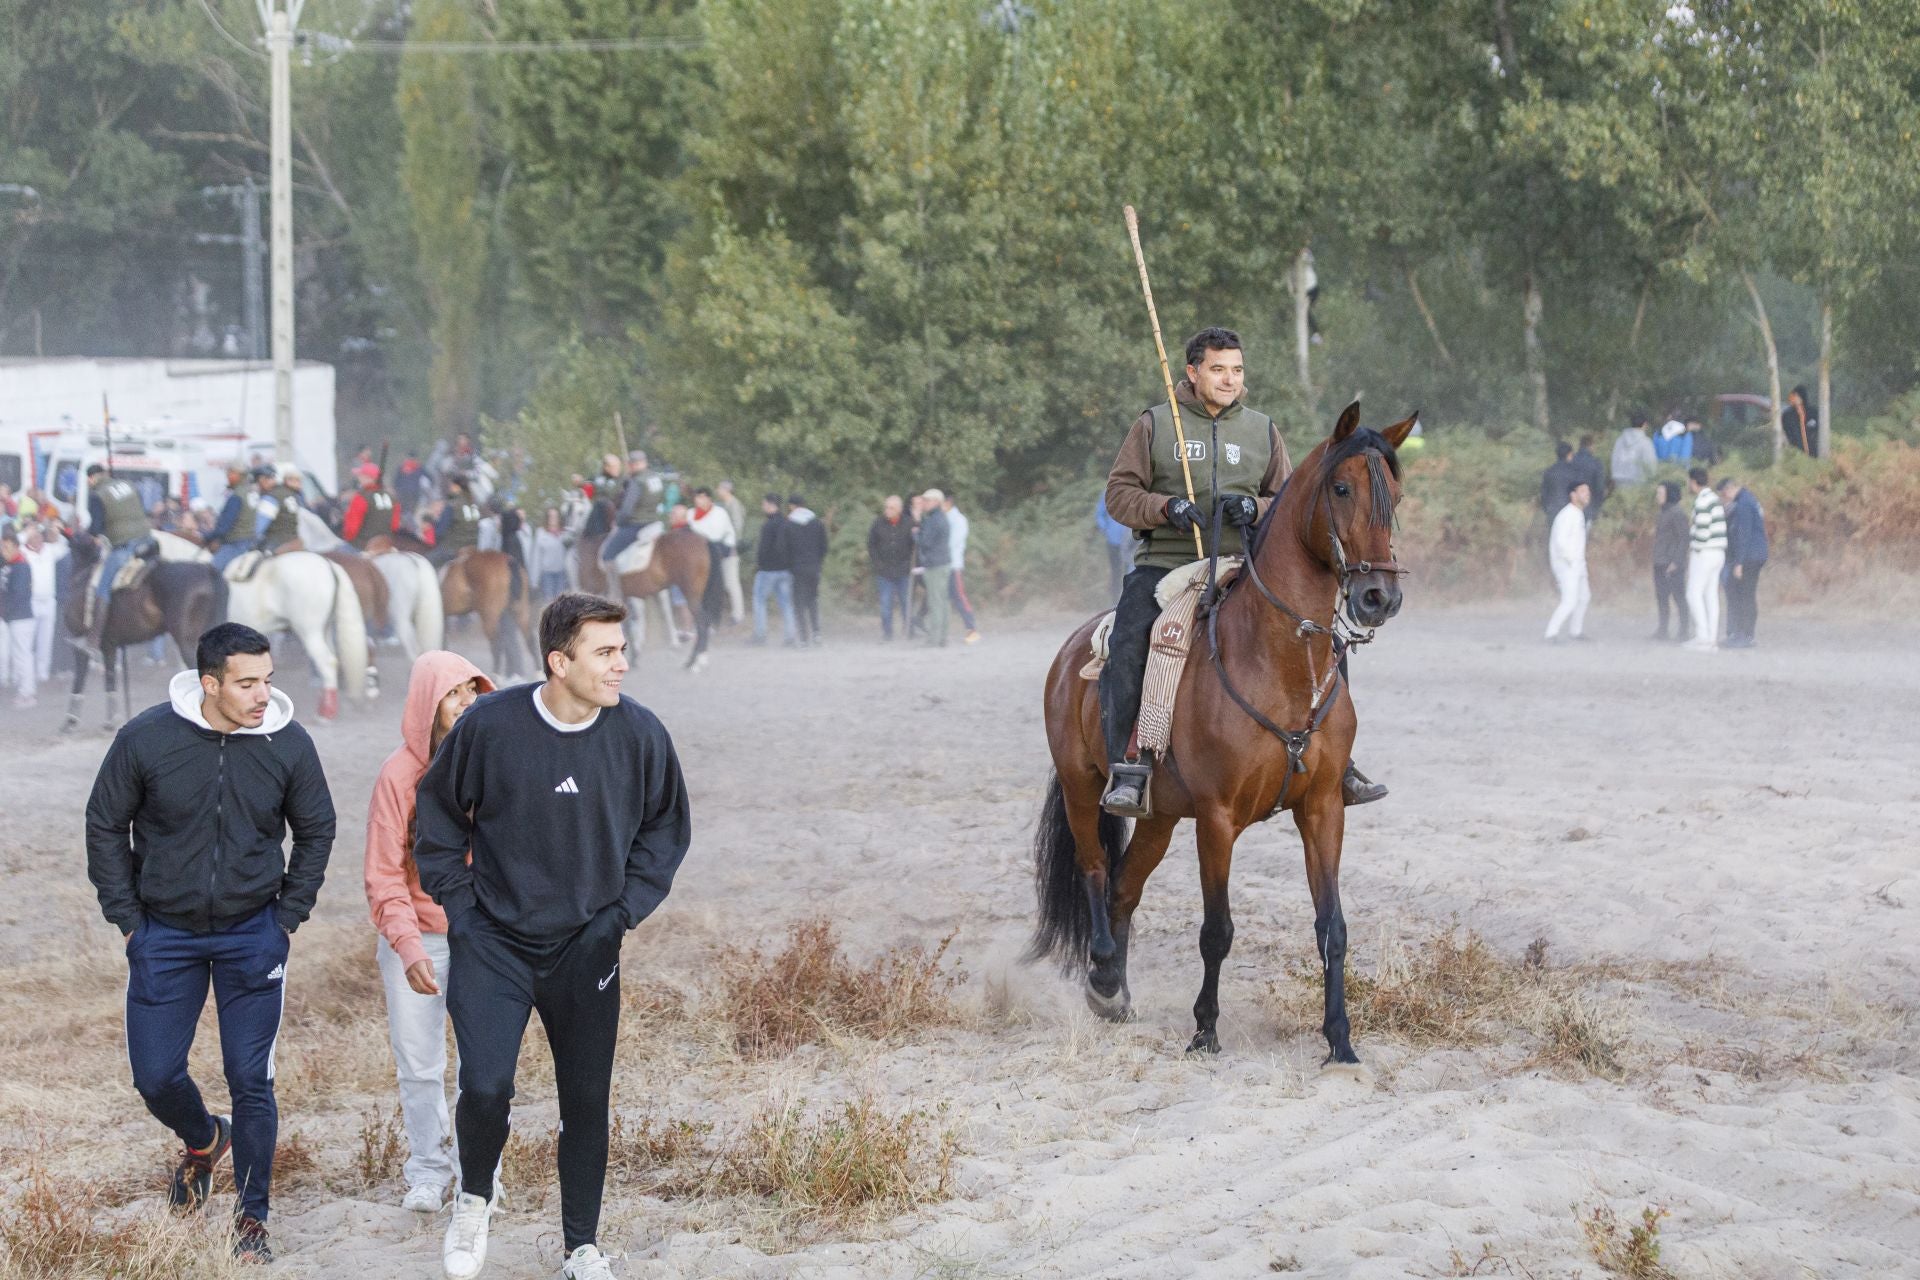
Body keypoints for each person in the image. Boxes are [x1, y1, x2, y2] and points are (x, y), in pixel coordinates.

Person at [414, 593, 692, 1280]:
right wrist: (464, 911)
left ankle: (580, 1249)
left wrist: (619, 915)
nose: (621, 665)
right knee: (485, 1087)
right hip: (495, 945)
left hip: (586, 947)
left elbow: (666, 828)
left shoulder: (641, 734)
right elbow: (439, 817)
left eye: (622, 650)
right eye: (605, 652)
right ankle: (474, 1202)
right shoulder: (490, 726)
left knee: (586, 1100)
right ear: (558, 661)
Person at [84, 623, 335, 1263]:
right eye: (246, 683)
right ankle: (203, 1140)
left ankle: (251, 1224)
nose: (261, 695)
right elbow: (105, 824)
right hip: (164, 934)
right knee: (156, 1076)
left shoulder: (288, 743)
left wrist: (287, 918)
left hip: (254, 933)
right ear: (209, 683)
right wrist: (129, 921)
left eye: (267, 680)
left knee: (251, 1078)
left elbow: (317, 829)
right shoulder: (146, 738)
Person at [1101, 326, 1383, 816]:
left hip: (1245, 562)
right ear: (1192, 372)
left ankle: (1340, 764)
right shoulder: (1154, 425)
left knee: (1325, 633)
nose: (1229, 380)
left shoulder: (1262, 429)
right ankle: (1129, 768)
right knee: (1129, 640)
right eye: (1217, 370)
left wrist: (1254, 508)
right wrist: (1166, 507)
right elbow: (1118, 494)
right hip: (1168, 561)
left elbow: (1290, 500)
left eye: (1236, 370)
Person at [365, 652, 496, 1213]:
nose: (467, 702)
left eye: (474, 690)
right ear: (427, 704)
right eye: (454, 693)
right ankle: (427, 1170)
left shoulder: (497, 762)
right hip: (415, 936)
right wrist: (407, 943)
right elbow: (383, 872)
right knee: (420, 1063)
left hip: (483, 938)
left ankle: (479, 1175)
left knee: (483, 1066)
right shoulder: (399, 775)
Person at [76, 463, 153, 664]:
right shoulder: (128, 484)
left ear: (91, 478)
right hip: (148, 539)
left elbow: (96, 528)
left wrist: (88, 535)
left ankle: (93, 641)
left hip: (125, 546)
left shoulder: (97, 495)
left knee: (102, 588)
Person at [1717, 477, 1769, 648]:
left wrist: (1739, 562)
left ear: (1729, 489)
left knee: (1745, 595)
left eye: (1724, 493)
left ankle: (1745, 635)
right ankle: (1742, 633)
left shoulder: (1743, 505)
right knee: (1746, 594)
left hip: (1749, 556)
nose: (1724, 497)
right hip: (1755, 554)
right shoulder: (1749, 499)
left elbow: (1743, 534)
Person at [1684, 467, 1727, 652]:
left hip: (1704, 552)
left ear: (1693, 482)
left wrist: (1694, 543)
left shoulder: (1702, 502)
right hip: (1718, 551)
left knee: (1693, 593)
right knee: (1710, 595)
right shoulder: (1715, 500)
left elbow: (1702, 531)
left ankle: (1702, 636)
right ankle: (1711, 637)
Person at [1544, 480, 1592, 642]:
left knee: (1584, 597)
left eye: (1587, 491)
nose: (1587, 495)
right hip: (1567, 564)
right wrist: (1570, 561)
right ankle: (1551, 633)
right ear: (1573, 495)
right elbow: (1560, 542)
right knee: (1569, 601)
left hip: (1578, 564)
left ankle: (1575, 631)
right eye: (1583, 491)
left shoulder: (1578, 514)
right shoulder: (1567, 515)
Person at [598, 451, 664, 567]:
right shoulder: (655, 477)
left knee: (607, 555)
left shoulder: (637, 481)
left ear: (633, 465)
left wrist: (618, 522)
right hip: (655, 522)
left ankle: (613, 585)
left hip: (637, 524)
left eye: (629, 465)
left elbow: (627, 510)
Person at [21, 522, 67, 685]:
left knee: (45, 640)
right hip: (31, 602)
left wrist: (56, 531)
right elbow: (15, 545)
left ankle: (43, 674)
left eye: (40, 535)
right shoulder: (23, 552)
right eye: (34, 536)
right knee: (29, 641)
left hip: (49, 601)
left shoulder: (49, 550)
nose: (38, 538)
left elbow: (63, 547)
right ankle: (27, 674)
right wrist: (26, 532)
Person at [750, 492, 797, 647]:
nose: (763, 507)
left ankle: (760, 635)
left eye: (764, 504)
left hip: (768, 570)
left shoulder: (768, 525)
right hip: (785, 570)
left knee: (759, 601)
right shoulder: (787, 522)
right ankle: (790, 636)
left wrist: (759, 565)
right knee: (786, 604)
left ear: (771, 505)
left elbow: (763, 549)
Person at [868, 495, 915, 640]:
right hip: (884, 571)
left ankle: (909, 631)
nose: (887, 510)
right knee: (885, 604)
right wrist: (878, 563)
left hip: (903, 570)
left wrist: (909, 564)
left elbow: (914, 545)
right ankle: (887, 633)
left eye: (891, 508)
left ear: (899, 509)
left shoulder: (909, 523)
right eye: (886, 507)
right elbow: (871, 545)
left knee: (906, 603)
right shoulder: (877, 523)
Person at [785, 494, 828, 646]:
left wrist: (789, 564)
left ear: (792, 506)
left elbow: (784, 548)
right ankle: (817, 633)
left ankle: (803, 637)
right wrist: (818, 562)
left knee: (798, 602)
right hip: (814, 567)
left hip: (796, 568)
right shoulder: (817, 522)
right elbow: (824, 546)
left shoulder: (789, 523)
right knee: (812, 600)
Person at [1651, 481, 1689, 642]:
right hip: (1659, 561)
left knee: (1679, 597)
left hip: (1671, 562)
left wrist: (1677, 561)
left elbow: (1684, 539)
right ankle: (1663, 629)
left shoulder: (1677, 513)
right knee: (1661, 597)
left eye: (1660, 493)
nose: (1657, 496)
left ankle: (1684, 630)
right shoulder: (1663, 512)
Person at [915, 488, 953, 647]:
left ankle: (934, 639)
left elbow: (925, 542)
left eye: (927, 500)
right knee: (943, 601)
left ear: (936, 502)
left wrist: (915, 534)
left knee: (935, 602)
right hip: (943, 563)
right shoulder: (940, 517)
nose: (923, 503)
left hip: (934, 565)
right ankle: (942, 637)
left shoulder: (933, 519)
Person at [943, 491, 981, 644]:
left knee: (959, 597)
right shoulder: (944, 519)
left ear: (948, 503)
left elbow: (953, 543)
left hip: (953, 565)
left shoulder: (959, 520)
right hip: (943, 565)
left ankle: (972, 628)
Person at [1, 529, 33, 706]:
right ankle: (24, 690)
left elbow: (18, 594)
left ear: (15, 547)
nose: (2, 550)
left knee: (22, 655)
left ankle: (27, 693)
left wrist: (6, 612)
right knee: (18, 654)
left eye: (6, 547)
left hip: (20, 617)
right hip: (13, 617)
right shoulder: (10, 564)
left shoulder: (21, 565)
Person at [206, 464, 259, 569]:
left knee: (212, 570)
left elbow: (225, 525)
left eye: (230, 473)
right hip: (250, 541)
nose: (227, 476)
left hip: (235, 543)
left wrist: (207, 537)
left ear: (239, 475)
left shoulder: (236, 496)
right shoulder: (250, 492)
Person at [342, 463, 401, 550]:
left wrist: (348, 540)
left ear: (368, 478)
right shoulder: (393, 499)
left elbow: (351, 529)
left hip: (362, 546)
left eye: (361, 476)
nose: (359, 478)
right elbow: (395, 526)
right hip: (386, 546)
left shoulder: (360, 498)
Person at [714, 480, 747, 624]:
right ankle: (734, 613)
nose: (717, 491)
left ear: (726, 490)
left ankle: (738, 614)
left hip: (730, 549)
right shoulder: (724, 505)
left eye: (719, 488)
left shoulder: (734, 505)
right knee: (727, 582)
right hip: (723, 547)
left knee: (731, 582)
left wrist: (733, 547)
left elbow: (737, 527)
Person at [432, 476, 484, 567]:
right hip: (473, 548)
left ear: (457, 487)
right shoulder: (474, 505)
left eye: (452, 486)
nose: (450, 488)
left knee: (427, 561)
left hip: (453, 549)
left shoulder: (452, 505)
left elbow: (440, 532)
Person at [532, 508, 572, 602]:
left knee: (560, 601)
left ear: (559, 518)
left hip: (561, 573)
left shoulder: (565, 533)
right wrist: (534, 580)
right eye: (551, 516)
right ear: (547, 518)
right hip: (547, 574)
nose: (553, 518)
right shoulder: (541, 533)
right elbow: (536, 557)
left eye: (555, 516)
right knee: (549, 602)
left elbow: (571, 554)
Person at [1095, 492, 1129, 601]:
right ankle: (1114, 602)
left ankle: (1128, 599)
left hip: (1131, 541)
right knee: (1116, 571)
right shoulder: (1108, 492)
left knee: (1131, 571)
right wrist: (1105, 529)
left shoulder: (1135, 490)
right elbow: (1099, 514)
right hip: (1113, 540)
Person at [1611, 413, 1658, 489]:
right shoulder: (1646, 442)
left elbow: (1614, 459)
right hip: (1638, 485)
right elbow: (1650, 464)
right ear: (1645, 424)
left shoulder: (1619, 440)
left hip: (1619, 483)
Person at [1538, 442, 1580, 524]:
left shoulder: (1549, 471)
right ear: (1569, 454)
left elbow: (1544, 494)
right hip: (1570, 512)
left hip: (1553, 511)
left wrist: (1547, 509)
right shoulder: (1574, 472)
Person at [1571, 434, 1608, 521]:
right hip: (1589, 507)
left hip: (1571, 504)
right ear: (1591, 446)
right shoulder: (1596, 463)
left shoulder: (1570, 460)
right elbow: (1599, 488)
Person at [1783, 385, 1817, 456]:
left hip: (1814, 452)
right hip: (1797, 453)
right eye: (1792, 396)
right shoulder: (1787, 415)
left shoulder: (1813, 412)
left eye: (1795, 395)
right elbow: (1787, 432)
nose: (1792, 398)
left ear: (1801, 397)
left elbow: (1818, 429)